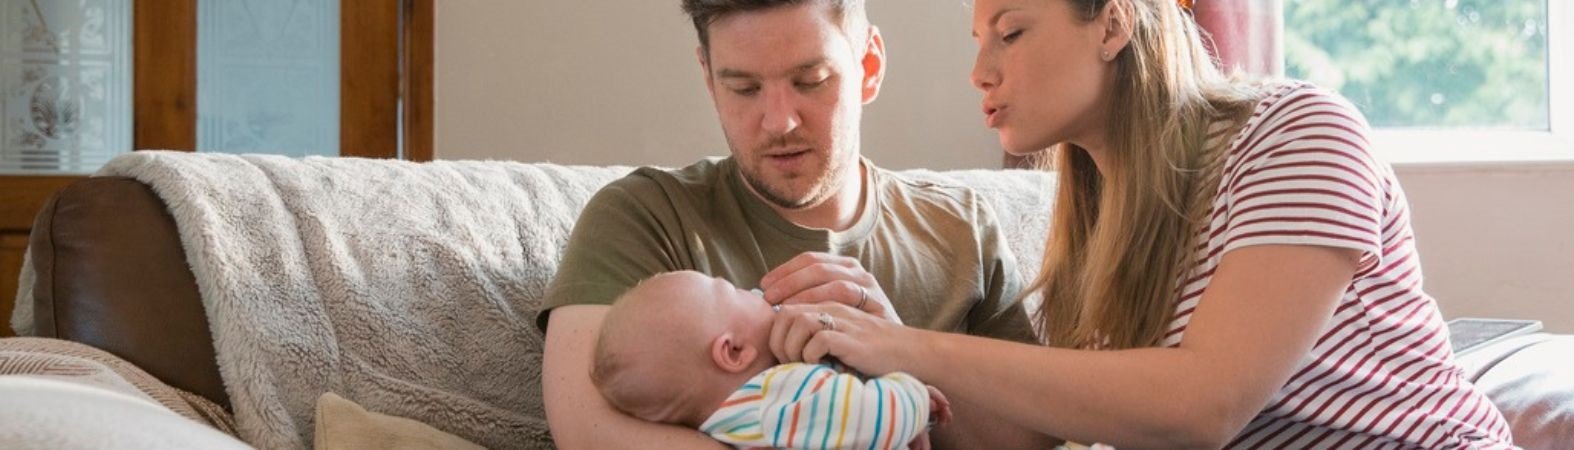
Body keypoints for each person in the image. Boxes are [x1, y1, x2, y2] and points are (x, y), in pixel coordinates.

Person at [768, 0, 1519, 448]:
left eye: (1011, 32)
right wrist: (886, 366)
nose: (980, 72)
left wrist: (912, 346)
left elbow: (1204, 405)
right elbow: (1028, 438)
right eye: (978, 43)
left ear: (1113, 24)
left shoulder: (1298, 133)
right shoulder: (1090, 224)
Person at [537, 1, 1043, 448]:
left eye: (811, 81)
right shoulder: (647, 216)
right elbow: (588, 429)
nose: (779, 121)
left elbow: (1034, 438)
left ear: (869, 65)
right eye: (744, 87)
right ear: (710, 80)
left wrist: (904, 351)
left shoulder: (960, 226)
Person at [589, 271, 950, 449]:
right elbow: (869, 417)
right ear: (733, 352)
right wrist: (913, 393)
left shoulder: (733, 422)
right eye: (734, 291)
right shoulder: (778, 394)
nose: (753, 291)